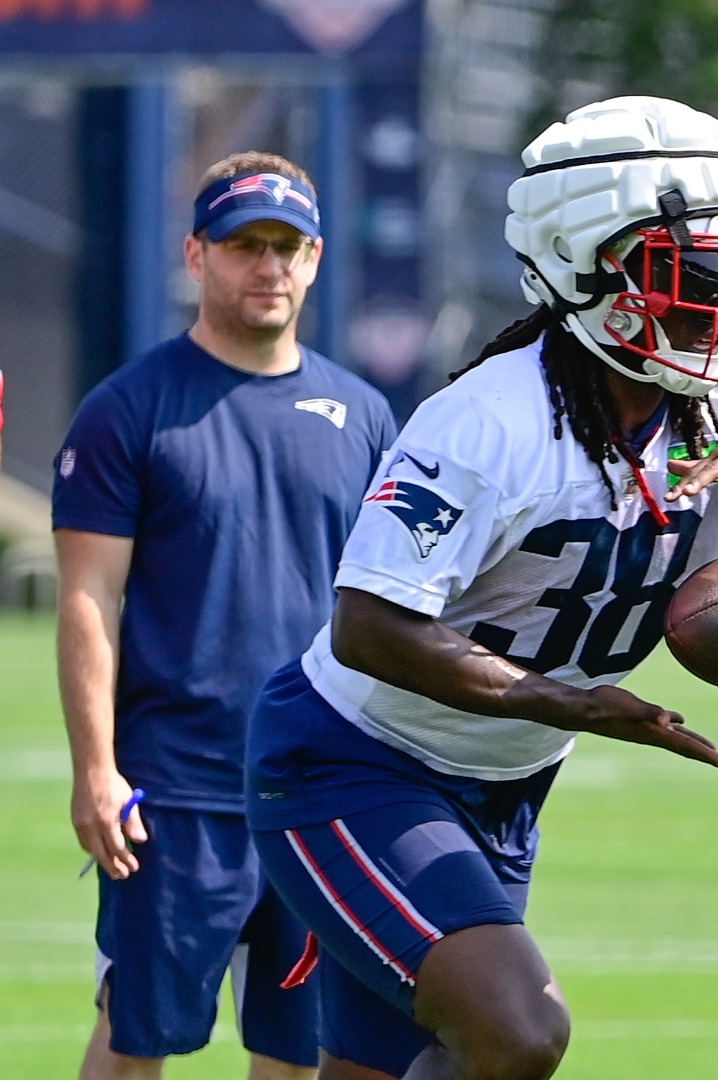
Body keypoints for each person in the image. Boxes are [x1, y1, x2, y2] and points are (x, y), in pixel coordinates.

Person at [241, 96, 718, 1080]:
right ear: (583, 266)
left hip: (503, 780)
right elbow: (369, 627)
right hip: (354, 763)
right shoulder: (487, 422)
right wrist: (563, 702)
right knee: (519, 1033)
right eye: (690, 273)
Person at [53, 153, 396, 1079]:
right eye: (246, 244)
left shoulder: (365, 416)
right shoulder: (128, 409)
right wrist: (96, 770)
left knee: (301, 1059)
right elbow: (89, 597)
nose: (269, 266)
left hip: (320, 787)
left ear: (316, 258)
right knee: (136, 1041)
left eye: (287, 246)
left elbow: (391, 605)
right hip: (174, 793)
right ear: (196, 253)